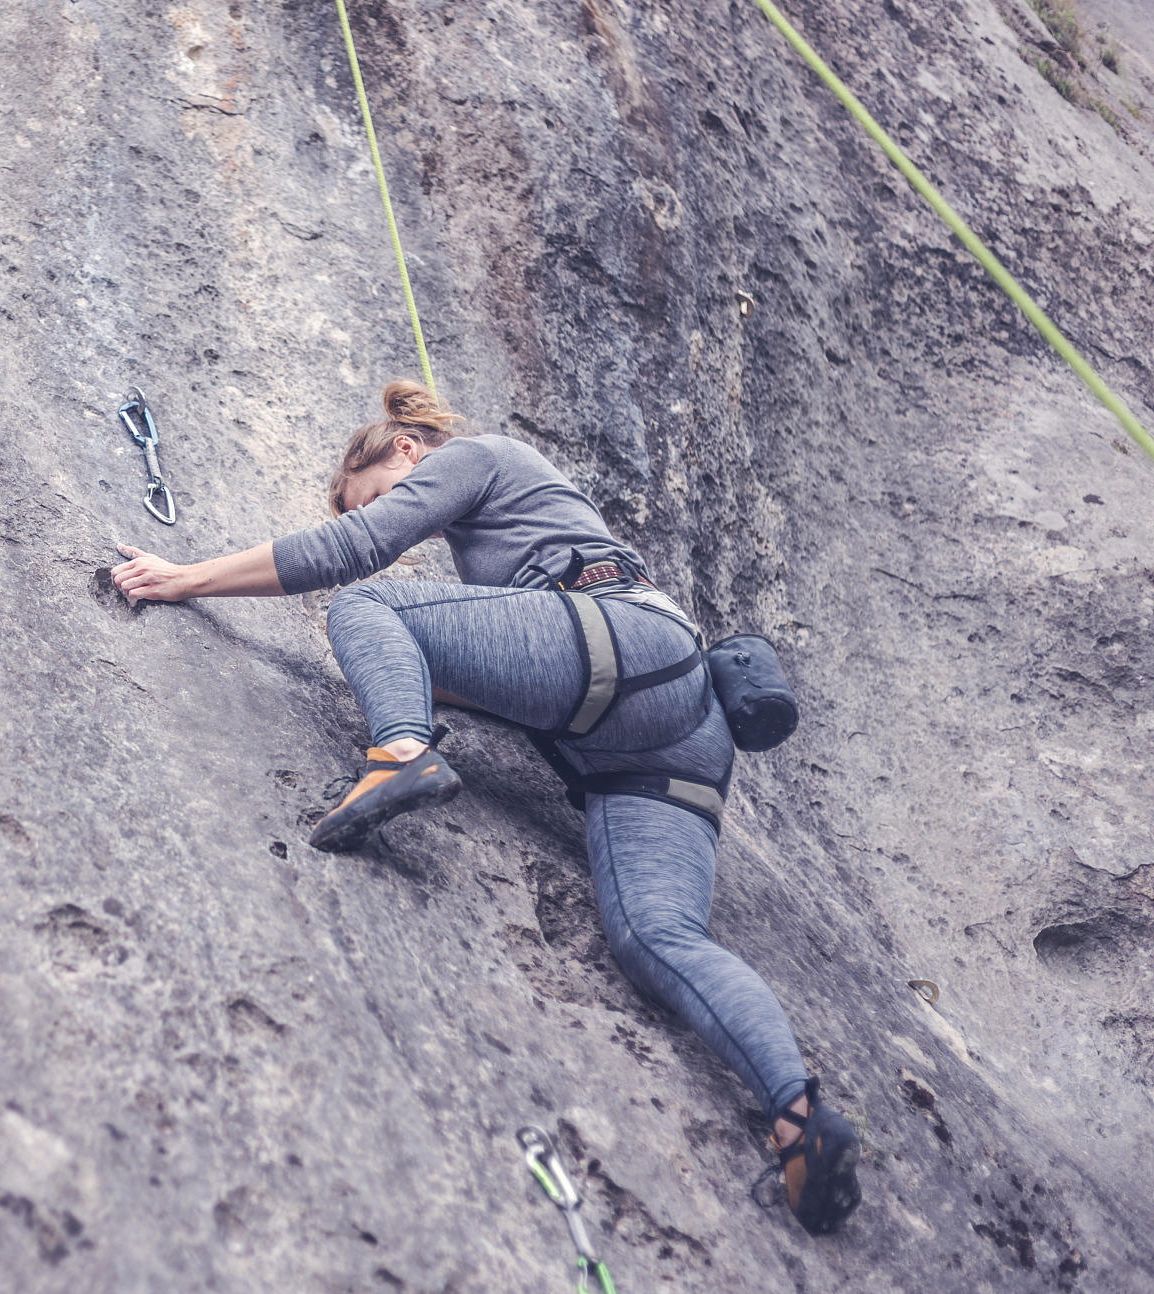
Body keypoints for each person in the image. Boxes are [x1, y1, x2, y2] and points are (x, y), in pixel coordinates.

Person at [109, 380, 861, 1235]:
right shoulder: (511, 535)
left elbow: (355, 555)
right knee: (655, 935)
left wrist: (185, 578)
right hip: (671, 735)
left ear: (406, 451)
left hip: (623, 649)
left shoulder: (477, 455)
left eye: (384, 491)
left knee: (365, 601)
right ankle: (799, 1116)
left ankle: (398, 751)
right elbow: (487, 667)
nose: (394, 518)